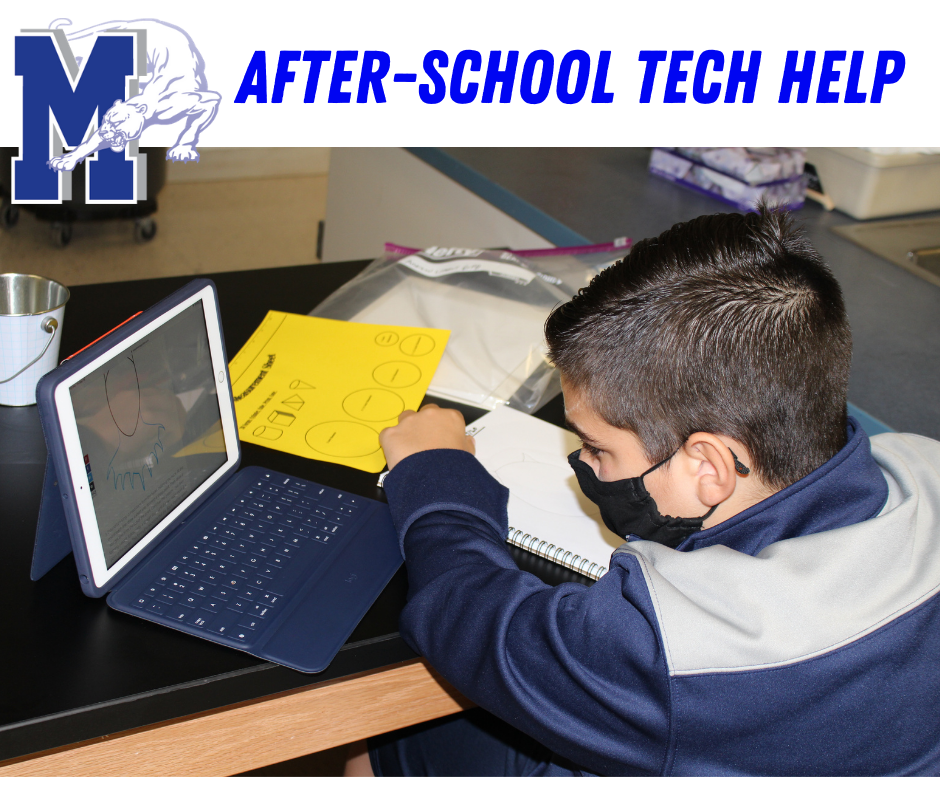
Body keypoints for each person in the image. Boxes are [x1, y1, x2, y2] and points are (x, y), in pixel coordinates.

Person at [345, 207, 940, 776]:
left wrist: (435, 472)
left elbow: (471, 621)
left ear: (708, 465)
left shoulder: (674, 649)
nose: (582, 462)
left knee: (388, 746)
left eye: (598, 448)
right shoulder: (923, 463)